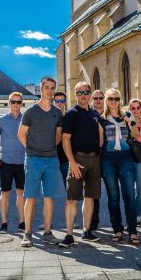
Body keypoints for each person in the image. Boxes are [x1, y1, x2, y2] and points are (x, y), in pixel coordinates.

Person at [18, 77, 63, 247]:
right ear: (41, 89)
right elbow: (21, 134)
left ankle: (48, 233)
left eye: (52, 88)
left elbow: (58, 136)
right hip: (33, 159)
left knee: (49, 197)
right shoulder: (31, 112)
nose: (50, 91)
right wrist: (31, 150)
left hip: (51, 159)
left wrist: (48, 148)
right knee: (30, 197)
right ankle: (27, 234)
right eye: (47, 87)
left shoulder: (57, 113)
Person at [59, 82, 104, 247]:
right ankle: (69, 235)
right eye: (79, 93)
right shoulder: (71, 114)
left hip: (94, 160)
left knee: (90, 196)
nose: (83, 95)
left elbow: (100, 134)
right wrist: (72, 163)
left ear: (90, 94)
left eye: (86, 92)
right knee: (71, 198)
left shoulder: (94, 114)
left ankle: (87, 231)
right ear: (75, 94)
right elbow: (65, 139)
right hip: (77, 159)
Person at [100, 88, 140, 244]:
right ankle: (117, 229)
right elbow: (100, 142)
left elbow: (136, 134)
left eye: (116, 98)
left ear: (120, 100)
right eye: (111, 98)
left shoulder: (127, 115)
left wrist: (130, 122)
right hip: (108, 159)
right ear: (106, 100)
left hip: (126, 158)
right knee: (113, 197)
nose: (114, 101)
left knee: (129, 195)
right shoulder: (102, 119)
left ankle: (133, 231)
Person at [0, 92, 27, 235]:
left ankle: (22, 222)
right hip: (6, 161)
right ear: (9, 103)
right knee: (5, 192)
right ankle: (4, 223)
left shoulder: (26, 119)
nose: (16, 104)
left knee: (21, 192)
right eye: (13, 102)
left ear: (22, 103)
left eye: (18, 102)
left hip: (22, 162)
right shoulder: (2, 120)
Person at [127, 98, 141, 226]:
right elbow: (134, 135)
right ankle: (134, 217)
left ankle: (136, 214)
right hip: (127, 159)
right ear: (130, 109)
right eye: (133, 108)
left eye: (138, 107)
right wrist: (131, 122)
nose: (135, 110)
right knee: (129, 191)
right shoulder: (126, 122)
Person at [89, 89, 105, 231]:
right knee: (93, 191)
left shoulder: (109, 113)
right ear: (92, 99)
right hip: (93, 156)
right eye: (96, 98)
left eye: (100, 97)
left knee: (113, 190)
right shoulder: (88, 113)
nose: (98, 100)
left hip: (108, 156)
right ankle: (93, 221)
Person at [54, 91, 69, 184]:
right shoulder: (49, 118)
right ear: (53, 102)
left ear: (65, 102)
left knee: (67, 186)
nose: (59, 103)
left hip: (65, 158)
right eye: (57, 101)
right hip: (52, 158)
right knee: (51, 186)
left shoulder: (69, 118)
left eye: (62, 101)